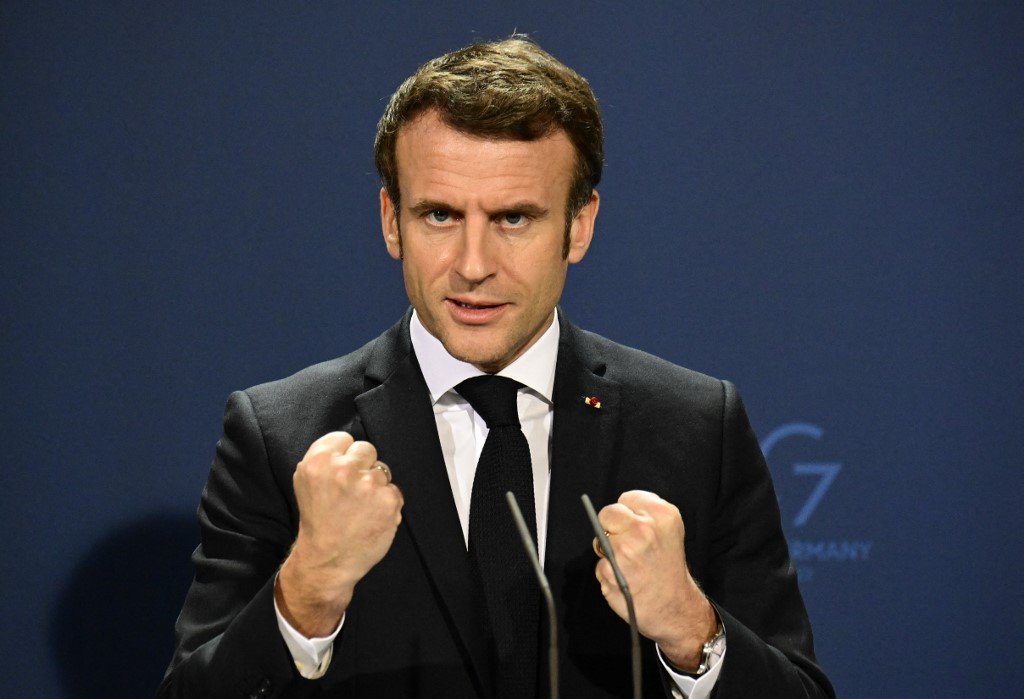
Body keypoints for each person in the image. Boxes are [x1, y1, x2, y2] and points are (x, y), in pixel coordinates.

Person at [160, 37, 833, 698]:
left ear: (579, 225)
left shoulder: (696, 427)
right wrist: (307, 589)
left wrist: (691, 627)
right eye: (440, 215)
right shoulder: (280, 435)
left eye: (513, 218)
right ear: (392, 221)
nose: (473, 264)